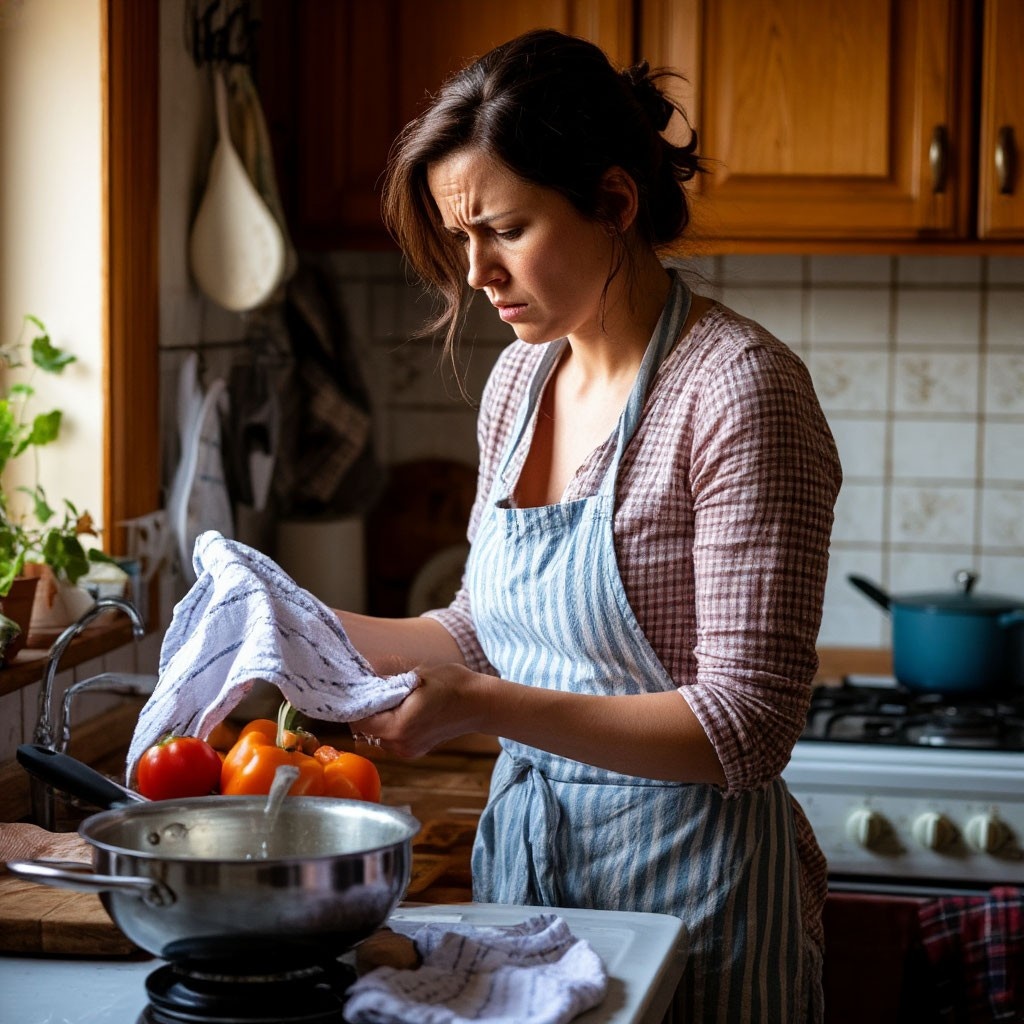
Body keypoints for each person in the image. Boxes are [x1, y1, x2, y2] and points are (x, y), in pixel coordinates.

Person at [341, 27, 842, 1022]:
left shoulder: (739, 391)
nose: (476, 272)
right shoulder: (521, 380)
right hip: (530, 885)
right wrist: (288, 625)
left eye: (504, 229)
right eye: (460, 237)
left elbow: (745, 729)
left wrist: (482, 706)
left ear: (614, 202)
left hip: (697, 899)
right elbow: (480, 628)